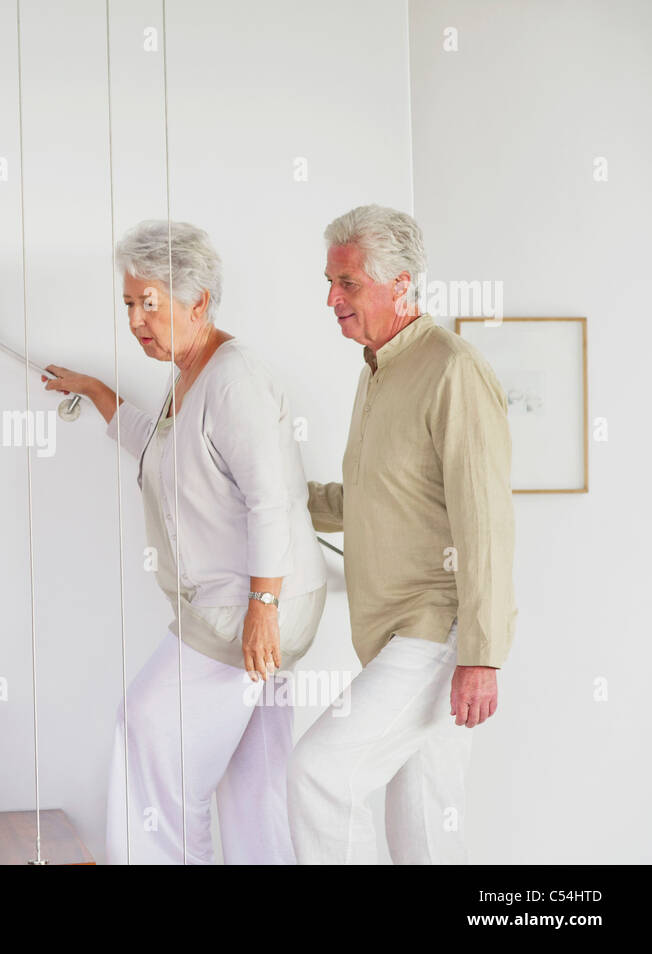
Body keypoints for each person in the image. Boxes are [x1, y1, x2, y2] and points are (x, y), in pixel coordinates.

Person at [44, 219, 327, 864]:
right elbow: (166, 448)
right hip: (252, 603)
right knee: (257, 779)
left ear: (197, 302)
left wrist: (264, 608)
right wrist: (100, 394)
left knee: (151, 735)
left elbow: (270, 499)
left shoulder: (234, 379)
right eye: (129, 305)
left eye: (151, 303)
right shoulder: (190, 373)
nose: (137, 319)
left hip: (247, 607)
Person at [287, 204, 517, 864]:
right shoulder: (378, 371)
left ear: (402, 284)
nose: (332, 298)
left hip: (438, 632)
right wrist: (275, 501)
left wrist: (482, 654)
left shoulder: (452, 369)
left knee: (319, 775)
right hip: (393, 636)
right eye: (330, 283)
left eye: (348, 283)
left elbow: (486, 521)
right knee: (424, 829)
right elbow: (365, 500)